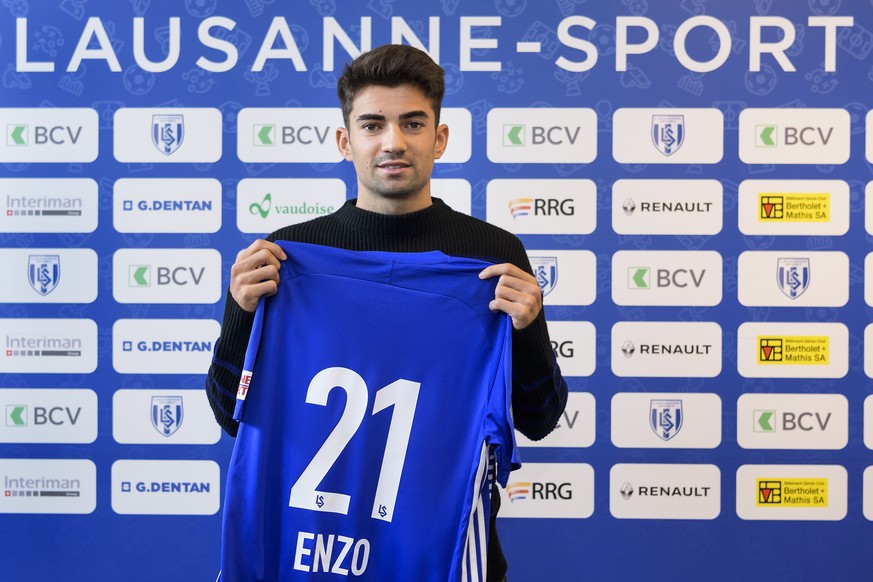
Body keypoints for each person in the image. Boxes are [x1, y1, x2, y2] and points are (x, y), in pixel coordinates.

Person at [206, 43, 568, 581]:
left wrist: (529, 328)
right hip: (310, 553)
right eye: (373, 125)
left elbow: (539, 420)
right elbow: (229, 413)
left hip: (441, 555)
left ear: (439, 139)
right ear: (345, 141)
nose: (393, 142)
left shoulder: (490, 257)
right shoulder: (287, 256)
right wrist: (240, 314)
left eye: (413, 124)